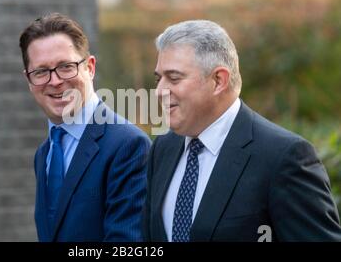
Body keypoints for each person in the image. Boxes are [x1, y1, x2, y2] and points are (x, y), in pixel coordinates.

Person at [142, 19, 341, 242]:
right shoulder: (163, 148)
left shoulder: (284, 157)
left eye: (174, 78)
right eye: (159, 79)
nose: (160, 91)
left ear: (218, 80)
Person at [19, 13, 151, 242]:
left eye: (66, 66)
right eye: (41, 72)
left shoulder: (129, 146)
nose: (55, 81)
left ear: (90, 67)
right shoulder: (44, 154)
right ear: (29, 80)